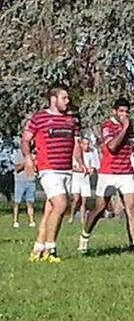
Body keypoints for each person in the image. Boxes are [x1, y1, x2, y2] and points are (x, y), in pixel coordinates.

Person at [22, 87, 83, 262]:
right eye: (64, 98)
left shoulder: (72, 121)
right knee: (61, 205)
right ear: (53, 99)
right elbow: (26, 139)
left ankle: (38, 249)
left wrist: (80, 162)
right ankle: (51, 249)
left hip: (66, 170)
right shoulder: (39, 118)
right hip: (48, 169)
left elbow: (76, 144)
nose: (67, 101)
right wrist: (28, 158)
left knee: (50, 210)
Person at [80, 98, 134, 255]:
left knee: (131, 208)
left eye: (126, 112)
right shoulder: (107, 126)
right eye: (121, 111)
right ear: (115, 112)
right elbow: (112, 146)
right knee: (100, 208)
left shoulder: (129, 126)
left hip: (126, 172)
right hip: (108, 172)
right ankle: (84, 236)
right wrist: (124, 129)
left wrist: (133, 148)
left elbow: (126, 144)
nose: (124, 115)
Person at [69, 137, 99, 225]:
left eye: (88, 144)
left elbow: (94, 166)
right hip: (76, 178)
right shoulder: (76, 154)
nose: (87, 146)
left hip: (85, 179)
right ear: (81, 144)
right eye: (85, 144)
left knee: (84, 200)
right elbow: (73, 167)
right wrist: (82, 169)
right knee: (76, 199)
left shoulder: (91, 154)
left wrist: (91, 170)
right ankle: (72, 215)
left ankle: (82, 218)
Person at [12, 146, 36, 229]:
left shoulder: (34, 155)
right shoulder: (18, 154)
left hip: (31, 181)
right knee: (17, 202)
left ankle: (31, 221)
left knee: (30, 202)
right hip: (20, 181)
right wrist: (26, 162)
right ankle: (15, 221)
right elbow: (16, 168)